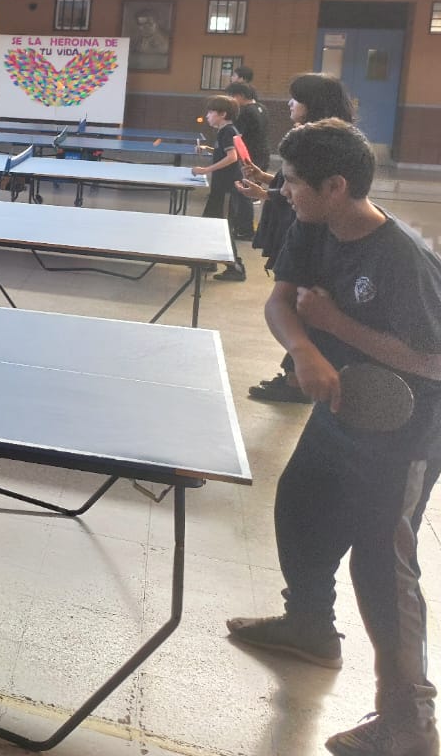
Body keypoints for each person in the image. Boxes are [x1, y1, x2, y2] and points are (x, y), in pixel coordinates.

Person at [225, 119, 441, 756]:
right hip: (341, 404)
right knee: (300, 508)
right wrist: (305, 350)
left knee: (381, 562)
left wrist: (335, 324)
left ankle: (412, 720)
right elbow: (280, 303)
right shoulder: (312, 225)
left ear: (336, 186)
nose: (282, 190)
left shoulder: (404, 257)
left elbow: (436, 361)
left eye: (292, 181)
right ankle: (310, 626)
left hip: (406, 429)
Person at [243, 73, 357, 404]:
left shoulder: (325, 142)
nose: (290, 103)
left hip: (312, 232)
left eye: (296, 98)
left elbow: (312, 193)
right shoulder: (307, 135)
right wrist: (266, 180)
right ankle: (295, 375)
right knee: (294, 302)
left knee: (299, 303)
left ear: (312, 103)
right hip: (296, 227)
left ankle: (298, 381)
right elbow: (293, 184)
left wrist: (267, 193)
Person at [193, 95, 247, 282]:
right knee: (210, 223)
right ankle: (210, 260)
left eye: (210, 112)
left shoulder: (227, 131)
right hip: (220, 188)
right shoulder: (225, 131)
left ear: (222, 114)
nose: (207, 116)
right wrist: (208, 149)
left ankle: (236, 267)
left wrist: (205, 170)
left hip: (227, 189)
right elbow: (225, 152)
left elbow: (232, 157)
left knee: (223, 227)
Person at [228, 81, 269, 241]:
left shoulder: (244, 112)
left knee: (243, 194)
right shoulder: (261, 107)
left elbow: (238, 137)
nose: (231, 99)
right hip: (262, 154)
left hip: (248, 158)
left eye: (232, 96)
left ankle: (244, 230)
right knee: (248, 192)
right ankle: (244, 229)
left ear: (240, 95)